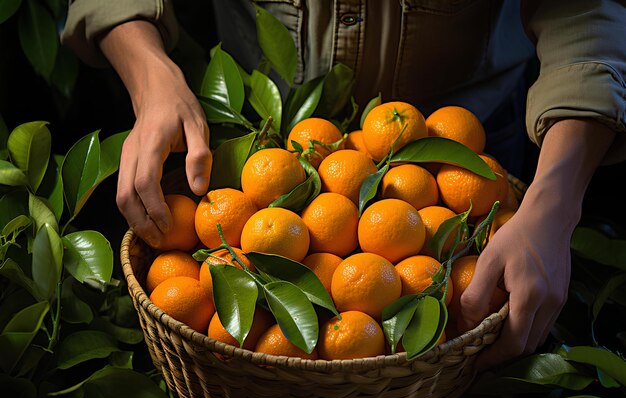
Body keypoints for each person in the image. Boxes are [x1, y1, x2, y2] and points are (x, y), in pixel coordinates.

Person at [60, 0, 625, 370]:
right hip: (261, 149)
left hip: (468, 166)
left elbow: (590, 12)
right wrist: (151, 77)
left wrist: (555, 200)